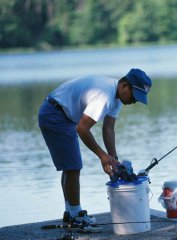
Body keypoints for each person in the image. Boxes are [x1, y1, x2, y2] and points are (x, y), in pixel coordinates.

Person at [38, 68, 152, 231]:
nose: (134, 101)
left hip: (62, 114)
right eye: (134, 96)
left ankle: (70, 212)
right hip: (55, 114)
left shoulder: (117, 97)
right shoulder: (105, 96)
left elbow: (108, 128)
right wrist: (102, 156)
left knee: (70, 167)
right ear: (125, 85)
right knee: (73, 167)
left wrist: (113, 158)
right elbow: (83, 128)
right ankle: (76, 216)